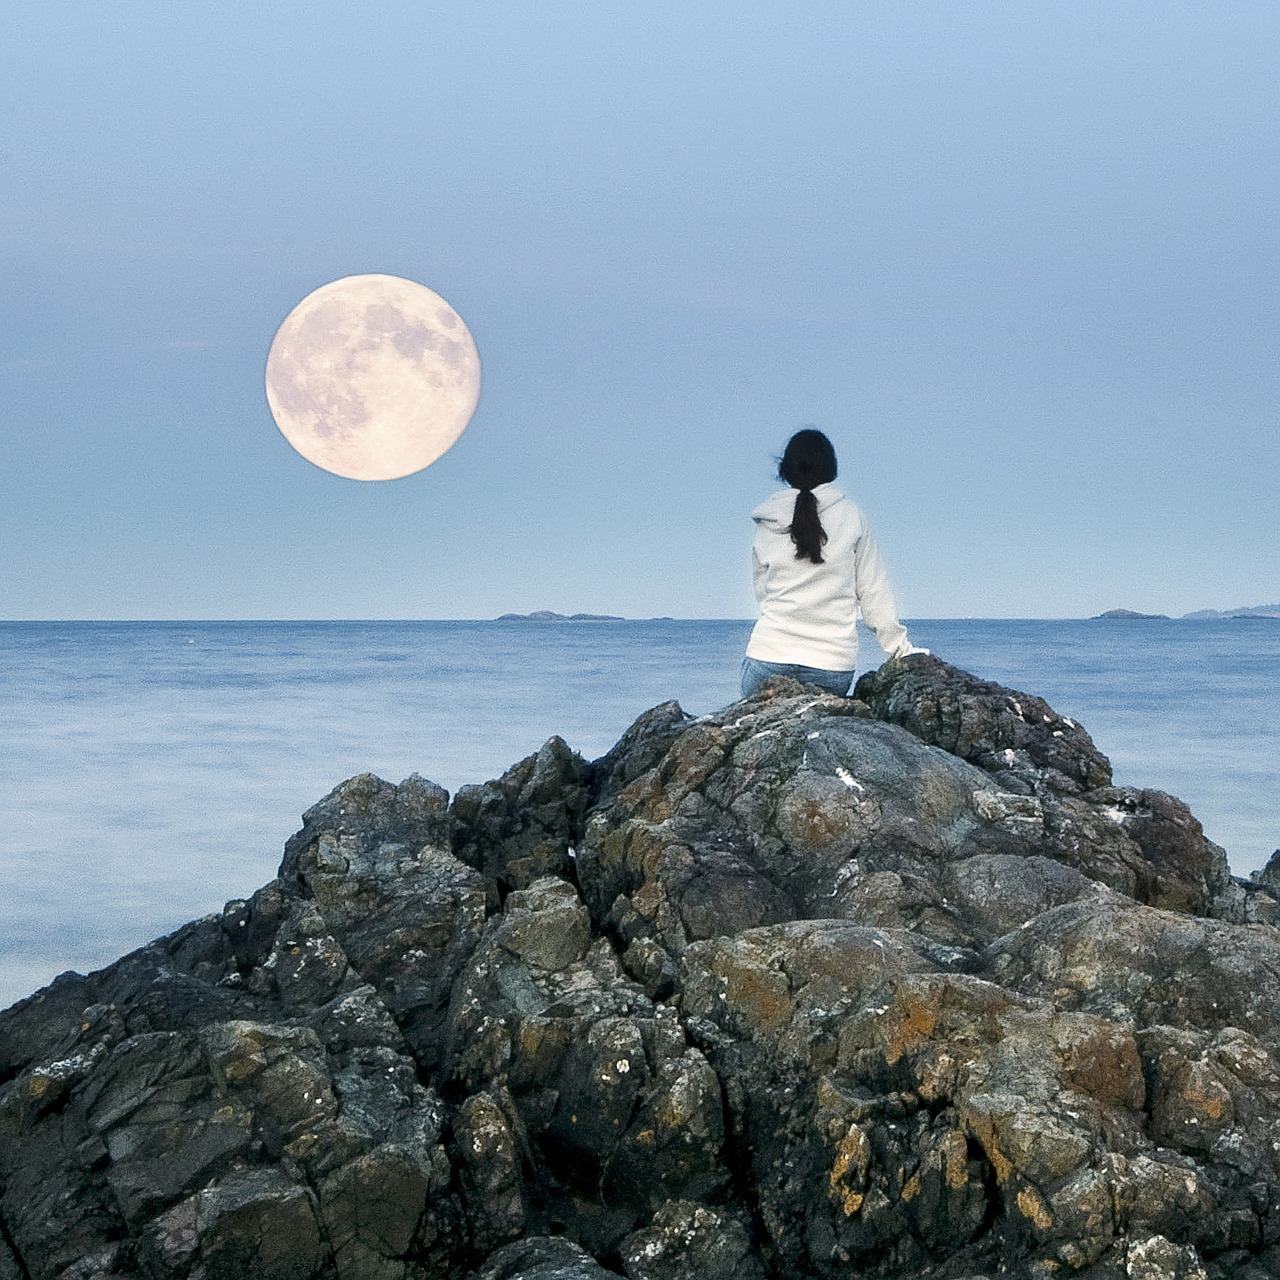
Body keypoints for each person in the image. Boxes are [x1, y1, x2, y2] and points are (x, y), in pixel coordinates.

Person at [741, 428, 926, 698]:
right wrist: (901, 650)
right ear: (831, 467)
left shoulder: (768, 520)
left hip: (768, 660)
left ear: (786, 469)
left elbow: (763, 593)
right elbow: (874, 592)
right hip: (830, 668)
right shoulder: (852, 515)